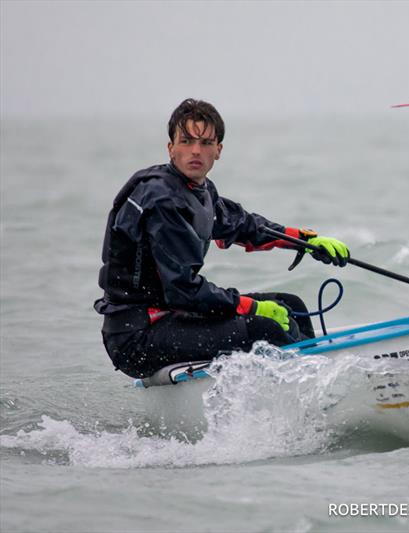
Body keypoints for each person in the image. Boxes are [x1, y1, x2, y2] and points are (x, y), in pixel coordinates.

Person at [94, 98, 349, 379]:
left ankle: (314, 380)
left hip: (171, 318)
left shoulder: (197, 191)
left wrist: (305, 240)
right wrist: (252, 306)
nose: (195, 151)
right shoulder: (160, 198)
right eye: (186, 141)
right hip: (137, 338)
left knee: (292, 307)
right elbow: (183, 290)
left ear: (218, 150)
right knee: (266, 326)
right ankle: (310, 389)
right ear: (171, 148)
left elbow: (244, 225)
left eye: (205, 143)